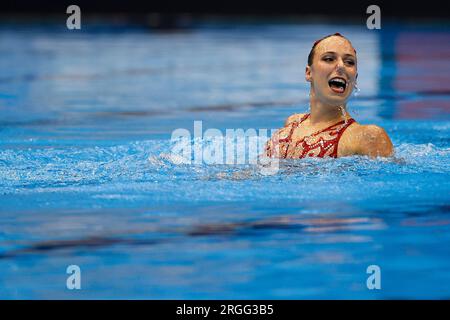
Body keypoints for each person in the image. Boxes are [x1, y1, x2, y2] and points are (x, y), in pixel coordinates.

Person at [265, 33, 394, 159]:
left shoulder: (368, 137)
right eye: (329, 59)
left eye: (349, 62)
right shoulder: (292, 123)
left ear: (355, 79)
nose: (341, 66)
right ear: (309, 73)